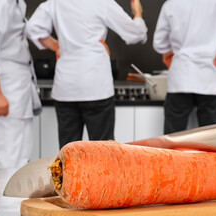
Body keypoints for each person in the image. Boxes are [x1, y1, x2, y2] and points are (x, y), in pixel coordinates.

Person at [26, 0, 147, 148]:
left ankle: (68, 172)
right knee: (103, 151)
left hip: (66, 88)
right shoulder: (102, 3)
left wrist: (57, 46)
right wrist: (138, 13)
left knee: (67, 151)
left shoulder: (56, 2)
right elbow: (135, 34)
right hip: (96, 86)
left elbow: (32, 28)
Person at [153, 0, 216, 134]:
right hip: (210, 77)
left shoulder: (172, 4)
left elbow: (159, 43)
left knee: (173, 140)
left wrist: (168, 55)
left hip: (181, 77)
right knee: (210, 141)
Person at [0, 0, 41, 168]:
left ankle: (10, 194)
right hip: (7, 83)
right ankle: (4, 195)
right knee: (9, 157)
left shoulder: (16, 2)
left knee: (19, 155)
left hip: (16, 83)